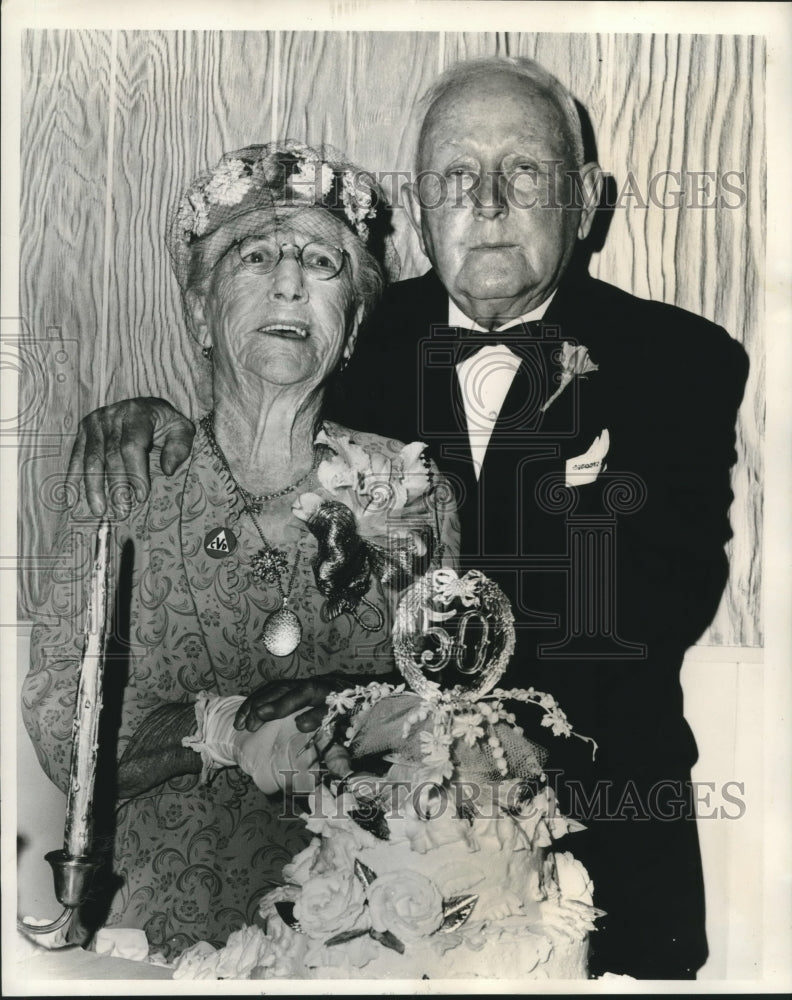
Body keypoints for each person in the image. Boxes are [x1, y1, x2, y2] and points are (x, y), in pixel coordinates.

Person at [65, 57, 749, 979]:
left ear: (586, 200)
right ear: (420, 208)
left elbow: (647, 610)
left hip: (597, 845)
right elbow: (246, 432)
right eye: (456, 176)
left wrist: (367, 704)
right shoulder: (348, 336)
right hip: (353, 865)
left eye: (528, 172)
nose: (491, 200)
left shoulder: (681, 360)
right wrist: (152, 421)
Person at [21, 140, 458, 959]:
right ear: (198, 312)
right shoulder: (128, 481)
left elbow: (449, 715)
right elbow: (62, 735)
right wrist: (218, 729)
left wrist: (356, 713)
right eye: (255, 256)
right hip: (152, 935)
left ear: (353, 324)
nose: (290, 281)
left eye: (323, 263)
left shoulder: (412, 494)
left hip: (365, 936)